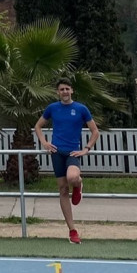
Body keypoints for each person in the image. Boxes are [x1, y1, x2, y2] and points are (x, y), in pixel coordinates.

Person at [34, 78, 99, 244]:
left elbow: (95, 132)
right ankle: (72, 230)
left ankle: (78, 184)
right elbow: (38, 126)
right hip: (57, 152)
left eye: (67, 89)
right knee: (63, 190)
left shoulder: (80, 109)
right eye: (61, 89)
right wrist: (45, 143)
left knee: (72, 178)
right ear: (58, 92)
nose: (64, 92)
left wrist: (87, 148)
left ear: (72, 91)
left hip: (73, 152)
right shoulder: (52, 108)